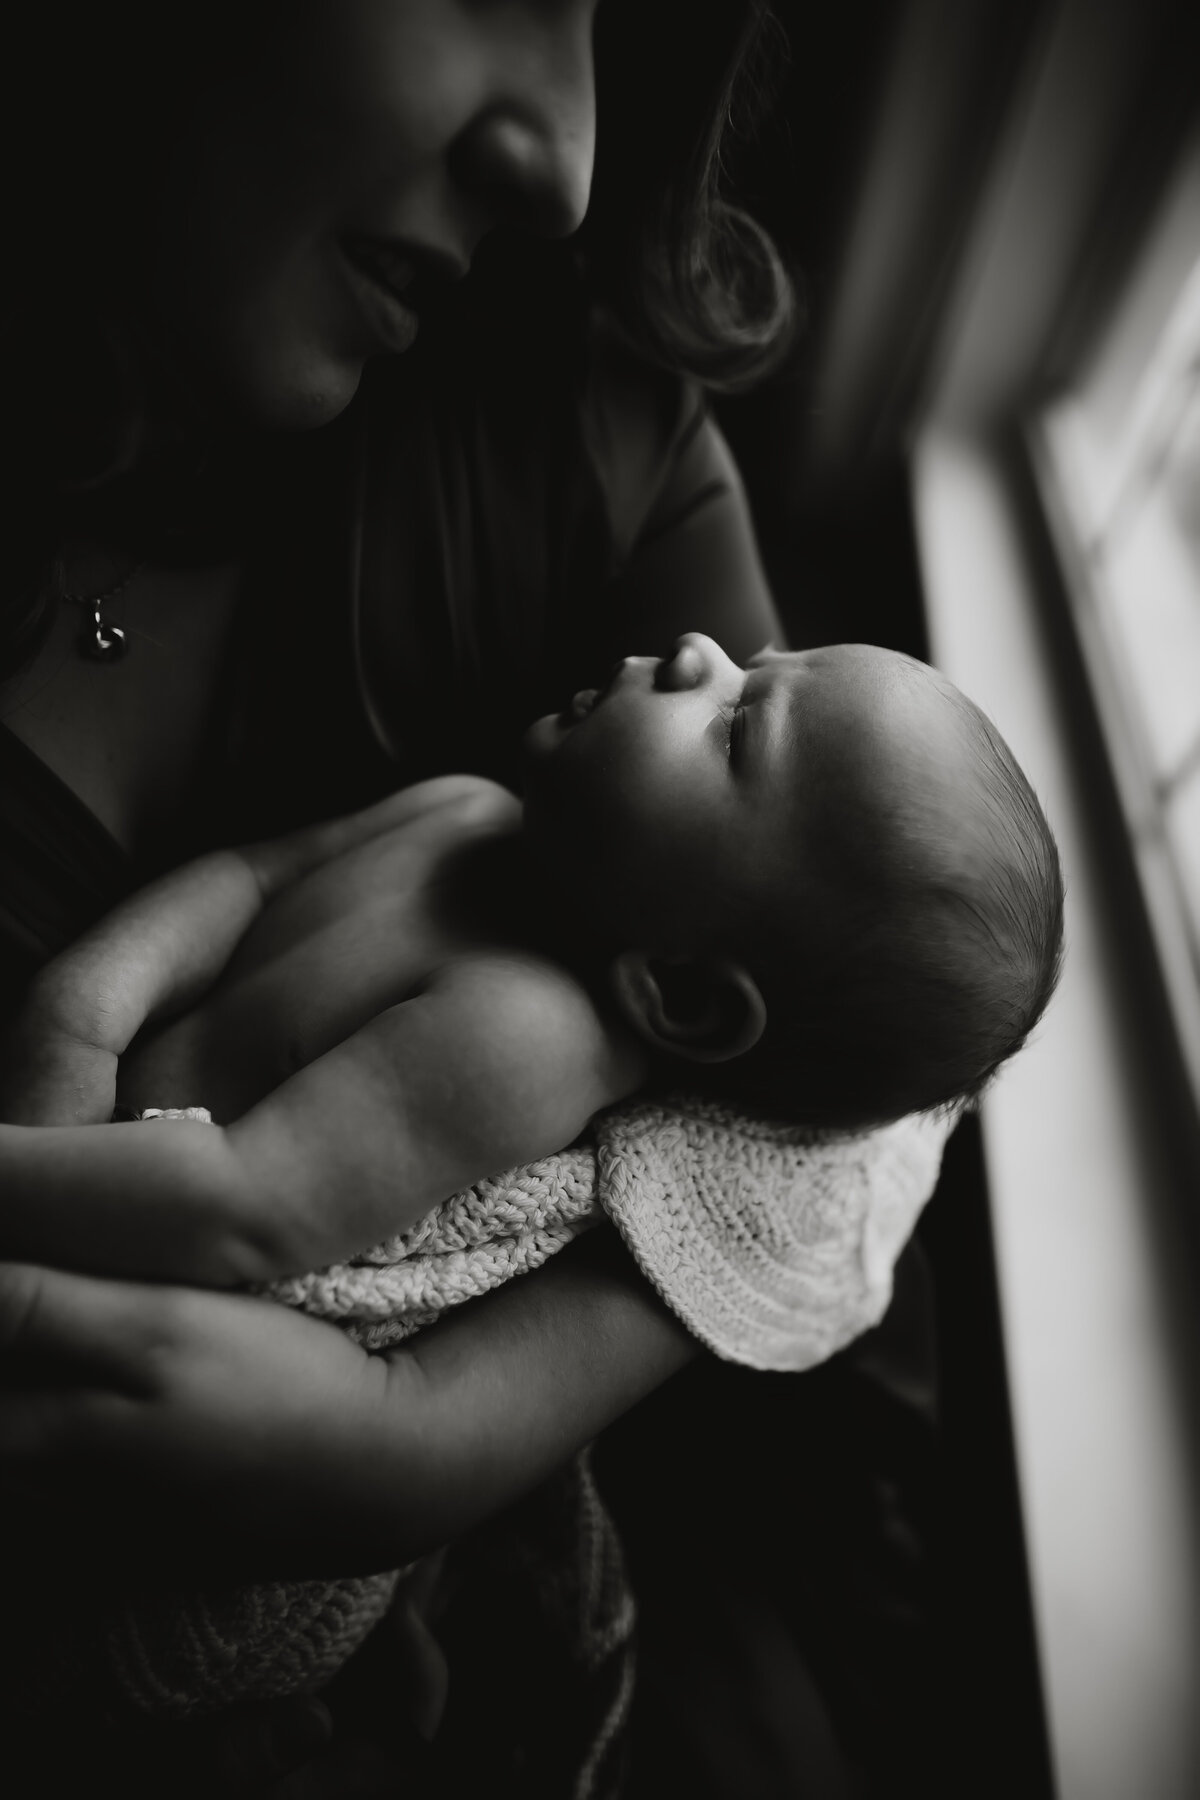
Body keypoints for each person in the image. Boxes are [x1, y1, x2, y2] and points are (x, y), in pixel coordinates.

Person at [0, 3, 944, 1793]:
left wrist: (422, 1443)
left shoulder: (577, 425)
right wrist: (79, 1010)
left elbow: (890, 1047)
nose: (572, 168)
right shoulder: (540, 773)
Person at [2, 634, 1062, 1294]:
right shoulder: (469, 812)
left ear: (684, 994)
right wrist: (86, 1009)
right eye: (757, 661)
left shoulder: (524, 1034)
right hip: (71, 1122)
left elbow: (242, 1208)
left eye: (737, 729)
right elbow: (247, 877)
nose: (699, 651)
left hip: (103, 1232)